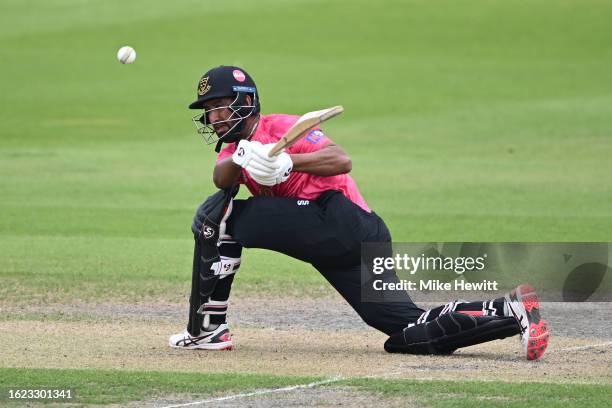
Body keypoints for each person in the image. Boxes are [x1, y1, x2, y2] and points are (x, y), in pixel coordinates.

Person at [168, 66, 550, 360]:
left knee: (217, 219)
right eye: (209, 111)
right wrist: (242, 157)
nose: (214, 118)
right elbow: (221, 179)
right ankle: (510, 309)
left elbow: (341, 160)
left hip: (341, 221)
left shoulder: (281, 127)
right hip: (342, 240)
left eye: (220, 107)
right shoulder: (235, 148)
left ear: (246, 102)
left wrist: (288, 161)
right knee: (406, 333)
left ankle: (207, 329)